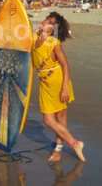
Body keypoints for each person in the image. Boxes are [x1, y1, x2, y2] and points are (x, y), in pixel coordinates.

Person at [33, 12, 85, 162]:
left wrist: (65, 88)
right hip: (44, 82)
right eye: (46, 20)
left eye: (51, 23)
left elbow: (65, 65)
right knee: (50, 120)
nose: (46, 23)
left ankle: (60, 150)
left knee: (57, 118)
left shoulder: (54, 43)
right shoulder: (34, 37)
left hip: (58, 81)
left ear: (54, 29)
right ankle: (74, 144)